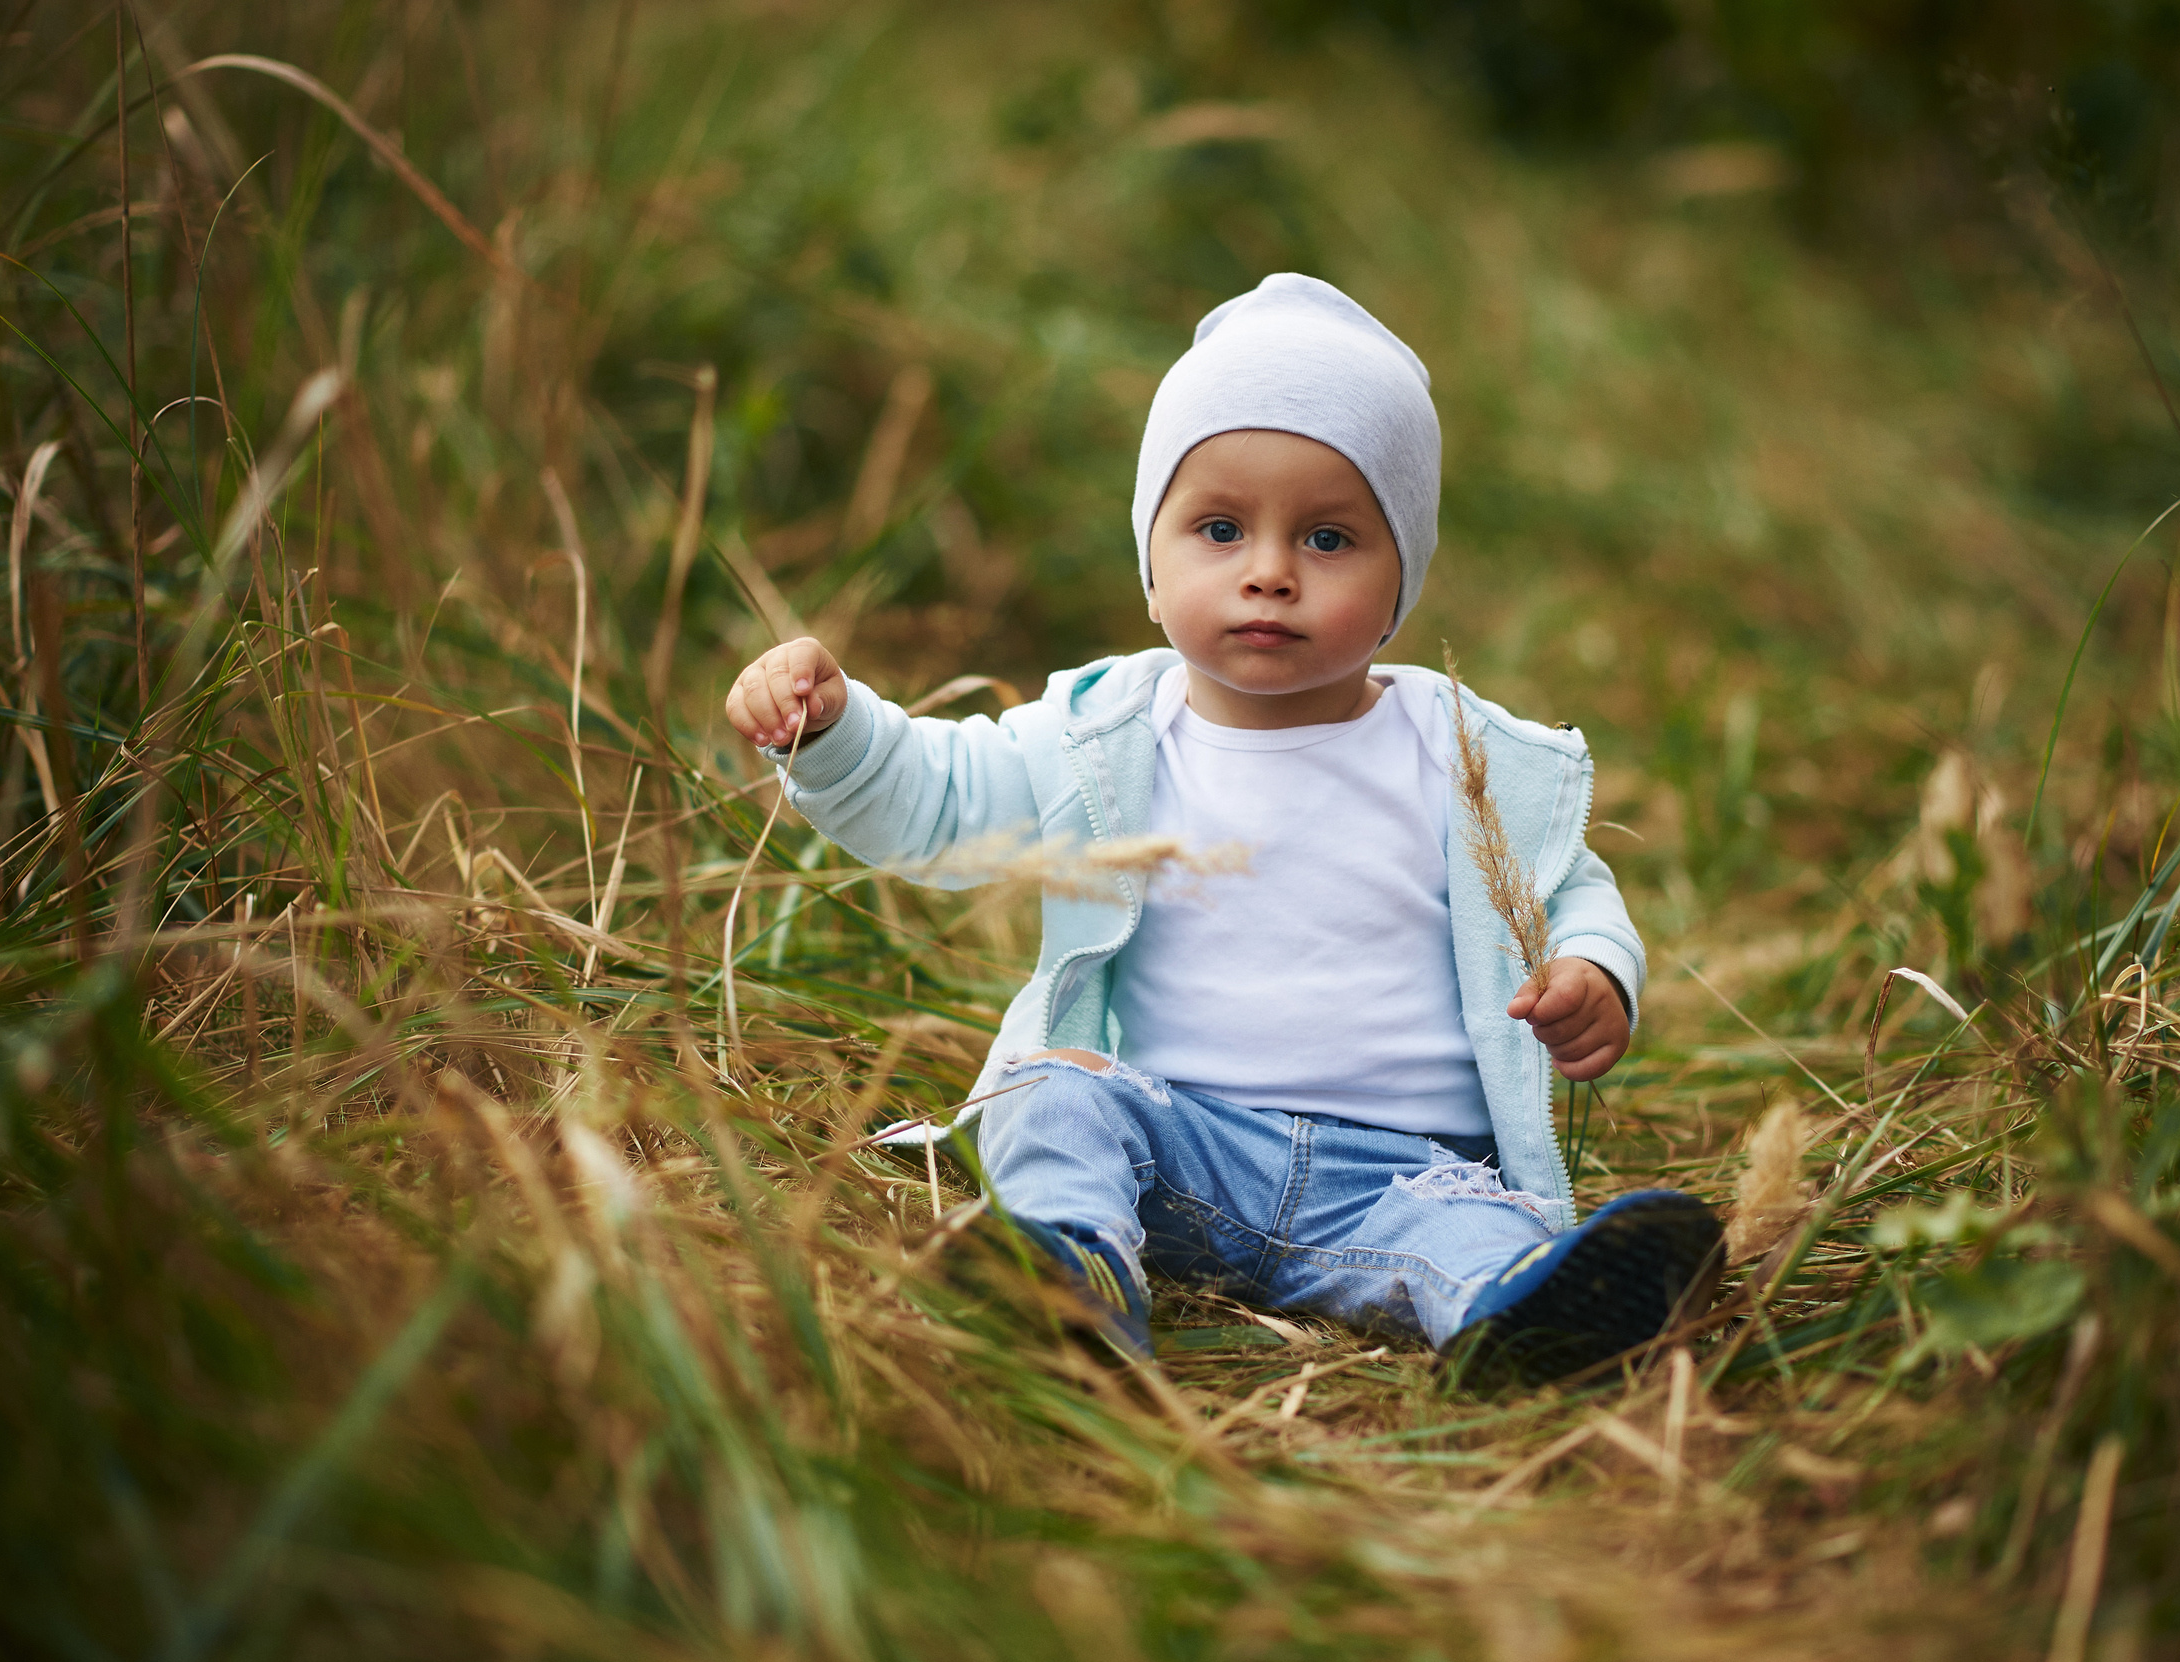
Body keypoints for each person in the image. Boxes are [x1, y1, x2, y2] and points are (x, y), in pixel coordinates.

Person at [725, 274, 1719, 1387]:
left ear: (1403, 585)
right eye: (1218, 527)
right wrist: (834, 730)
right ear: (1151, 565)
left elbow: (1564, 884)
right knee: (1053, 1095)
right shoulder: (1106, 732)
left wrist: (1593, 968)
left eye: (1331, 537)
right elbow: (940, 803)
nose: (1268, 570)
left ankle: (1525, 1311)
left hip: (1405, 1173)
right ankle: (1071, 1273)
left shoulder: (1461, 752)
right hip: (1170, 1141)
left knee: (1476, 1231)